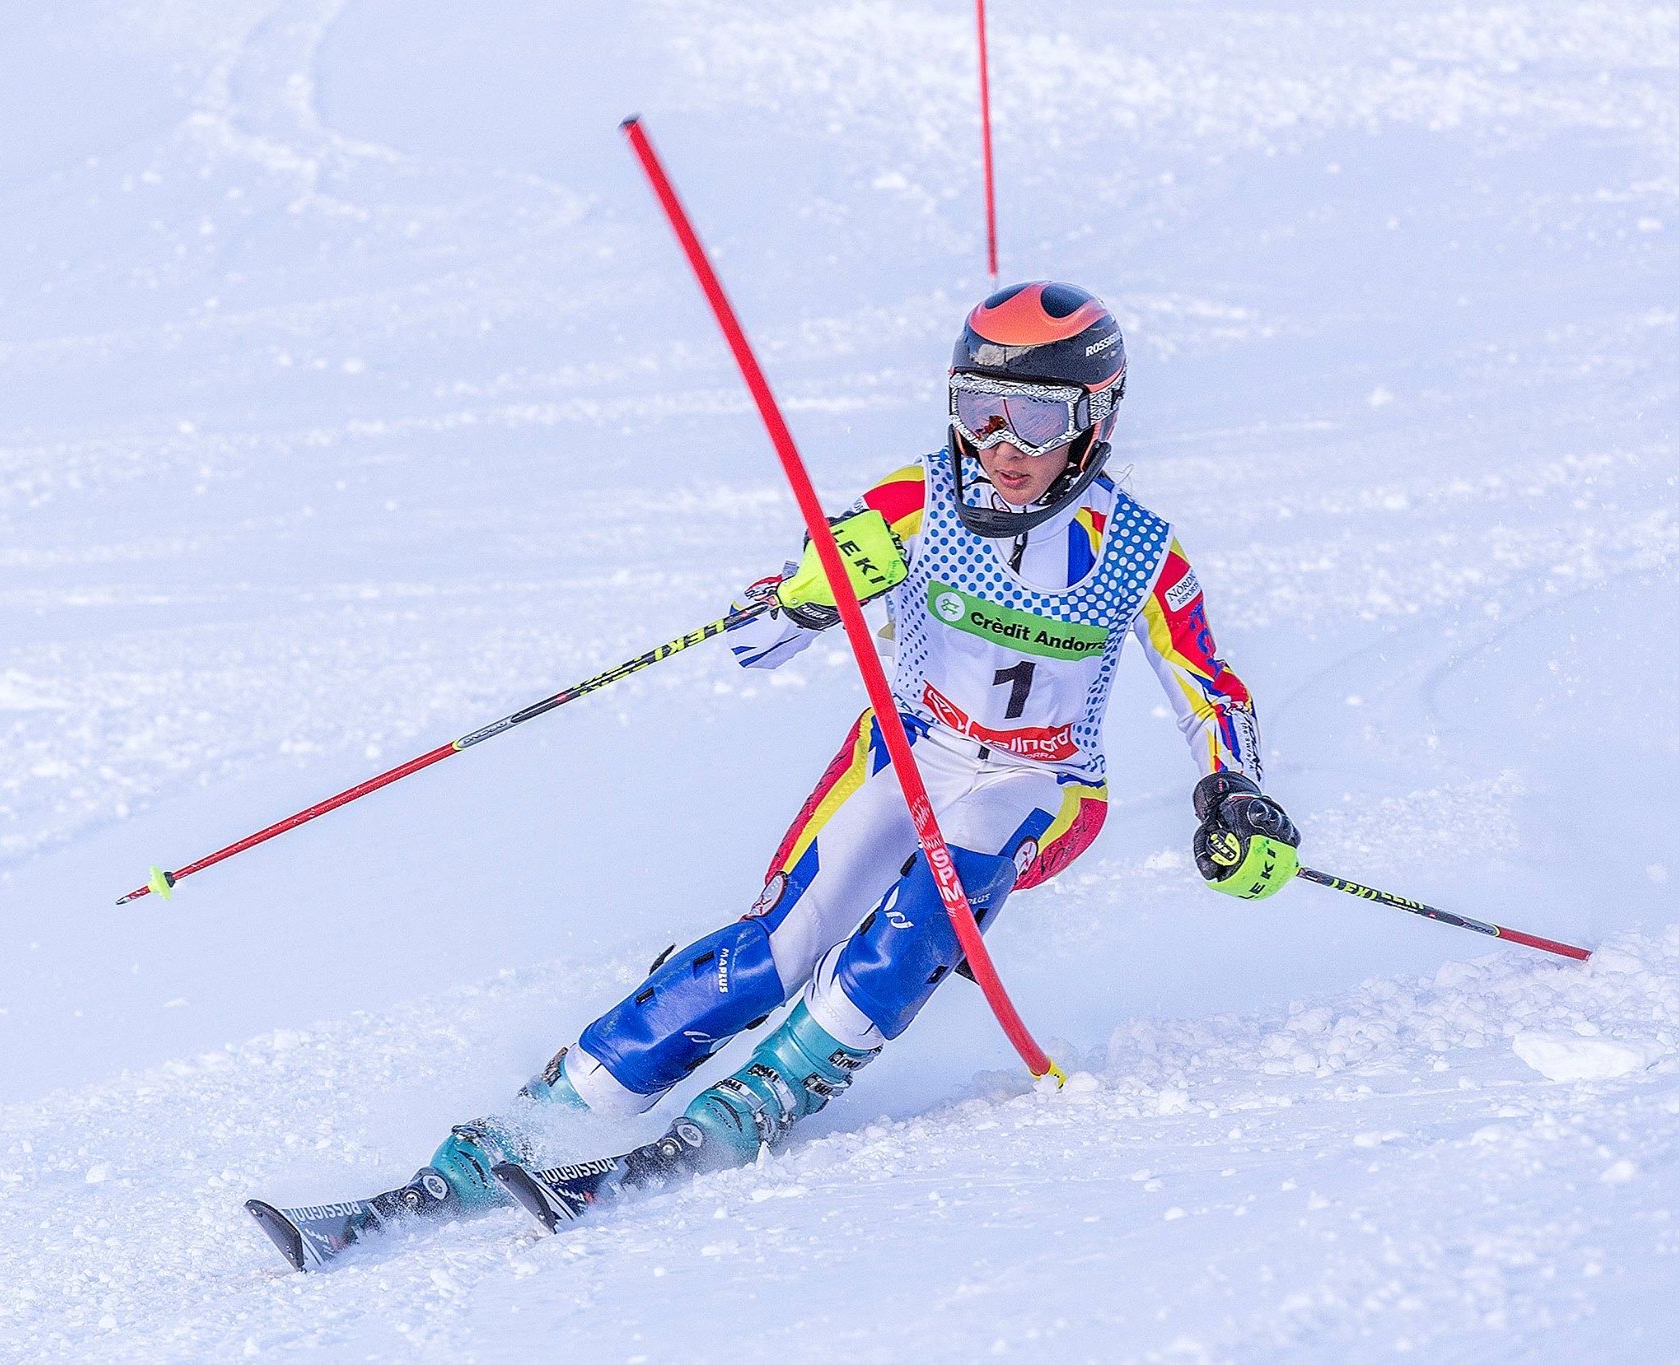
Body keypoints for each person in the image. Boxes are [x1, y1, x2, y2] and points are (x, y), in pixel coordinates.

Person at [423, 281, 1302, 1206]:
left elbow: (1210, 686)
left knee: (924, 910)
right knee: (776, 946)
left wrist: (1236, 790)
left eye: (1038, 418)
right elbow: (753, 642)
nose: (1004, 445)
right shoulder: (917, 500)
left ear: (1094, 421)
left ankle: (760, 1099)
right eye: (979, 409)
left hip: (1043, 780)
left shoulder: (1140, 550)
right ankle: (551, 1113)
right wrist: (810, 591)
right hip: (906, 750)